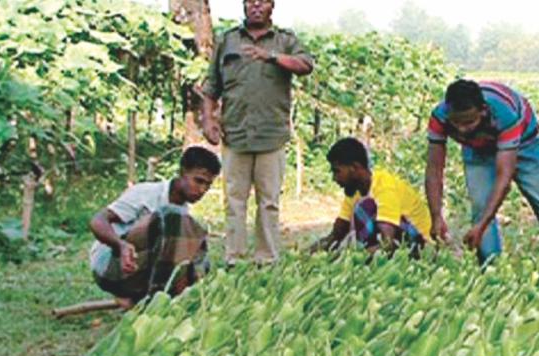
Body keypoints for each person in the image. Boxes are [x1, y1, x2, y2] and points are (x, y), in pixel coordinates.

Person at [201, 0, 314, 266]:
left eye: (262, 1)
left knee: (269, 202)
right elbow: (211, 87)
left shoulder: (285, 40)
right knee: (234, 200)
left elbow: (306, 65)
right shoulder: (227, 40)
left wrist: (272, 57)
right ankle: (235, 258)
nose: (255, 6)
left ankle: (266, 259)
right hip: (235, 134)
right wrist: (208, 120)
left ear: (272, 6)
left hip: (271, 135)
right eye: (250, 1)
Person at [425, 79, 539, 263]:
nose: (461, 129)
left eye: (468, 122)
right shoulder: (440, 116)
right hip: (477, 147)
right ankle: (490, 268)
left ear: (483, 111)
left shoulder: (505, 114)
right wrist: (436, 216)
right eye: (455, 122)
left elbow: (504, 178)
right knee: (481, 207)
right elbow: (434, 170)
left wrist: (482, 225)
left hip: (524, 142)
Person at [89, 146, 220, 309]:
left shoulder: (184, 215)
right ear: (182, 172)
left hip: (138, 276)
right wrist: (121, 245)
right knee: (170, 217)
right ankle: (152, 301)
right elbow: (98, 221)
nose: (202, 190)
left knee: (195, 242)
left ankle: (152, 299)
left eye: (208, 185)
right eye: (198, 181)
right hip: (110, 266)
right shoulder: (146, 192)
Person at [311, 137, 432, 256]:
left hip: (421, 243)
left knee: (366, 207)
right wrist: (308, 253)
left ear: (354, 168)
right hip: (396, 242)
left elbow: (387, 244)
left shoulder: (385, 188)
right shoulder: (354, 191)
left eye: (337, 171)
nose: (334, 178)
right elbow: (336, 236)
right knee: (361, 210)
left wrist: (351, 257)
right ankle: (371, 256)